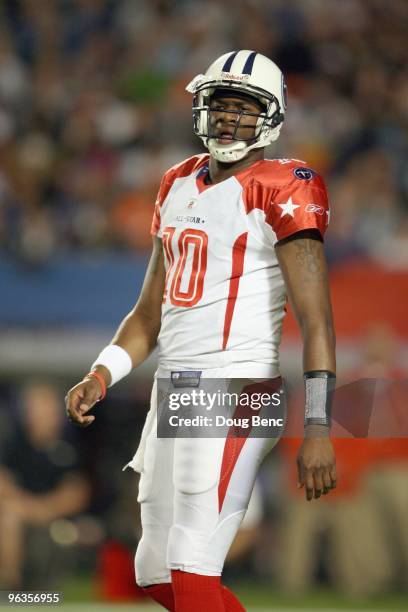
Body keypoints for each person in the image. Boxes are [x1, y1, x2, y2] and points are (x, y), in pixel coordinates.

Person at [66, 50, 337, 611]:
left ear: (272, 116)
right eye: (221, 106)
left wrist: (317, 425)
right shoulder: (177, 181)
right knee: (154, 572)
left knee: (190, 562)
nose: (229, 119)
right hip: (177, 387)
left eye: (244, 109)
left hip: (237, 386)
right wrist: (102, 372)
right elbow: (148, 315)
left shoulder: (286, 185)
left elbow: (317, 320)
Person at [0, 381, 89, 589]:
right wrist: (26, 508)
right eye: (40, 408)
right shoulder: (13, 444)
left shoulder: (70, 447)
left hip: (58, 519)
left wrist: (43, 510)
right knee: (9, 515)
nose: (47, 415)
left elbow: (77, 493)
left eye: (51, 409)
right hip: (19, 514)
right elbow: (3, 483)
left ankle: (50, 592)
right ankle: (10, 585)